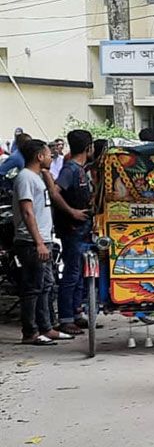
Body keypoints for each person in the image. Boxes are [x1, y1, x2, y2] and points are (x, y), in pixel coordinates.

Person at [13, 139, 74, 345]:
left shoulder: (38, 177)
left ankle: (46, 327)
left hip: (44, 239)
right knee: (33, 287)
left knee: (46, 284)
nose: (52, 157)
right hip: (31, 241)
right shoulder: (25, 178)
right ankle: (30, 331)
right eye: (48, 154)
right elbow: (27, 211)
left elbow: (54, 194)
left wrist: (47, 174)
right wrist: (38, 241)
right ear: (40, 156)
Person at [52, 130, 95, 335]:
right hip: (72, 230)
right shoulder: (69, 170)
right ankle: (66, 318)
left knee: (79, 273)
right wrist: (71, 212)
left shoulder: (81, 169)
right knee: (71, 274)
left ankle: (77, 313)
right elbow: (55, 192)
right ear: (89, 148)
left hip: (82, 231)